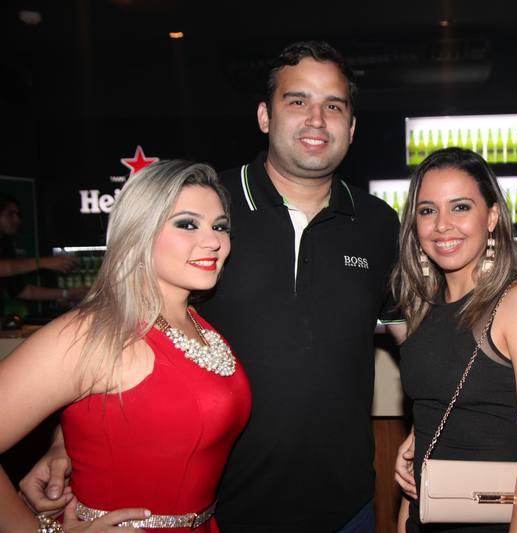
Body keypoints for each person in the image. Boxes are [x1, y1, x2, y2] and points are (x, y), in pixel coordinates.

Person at [20, 40, 404, 532]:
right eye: (297, 101)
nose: (316, 119)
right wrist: (65, 441)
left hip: (347, 509)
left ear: (351, 127)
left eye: (333, 106)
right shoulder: (207, 210)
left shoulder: (378, 223)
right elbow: (112, 329)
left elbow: (415, 338)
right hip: (223, 510)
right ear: (264, 116)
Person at [0, 160, 251, 532]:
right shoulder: (93, 332)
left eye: (220, 226)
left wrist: (63, 443)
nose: (213, 240)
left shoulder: (199, 321)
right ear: (139, 232)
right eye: (187, 224)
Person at [392, 148, 517, 532]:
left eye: (460, 207)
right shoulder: (423, 306)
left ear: (493, 217)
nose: (442, 225)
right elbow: (430, 420)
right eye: (427, 210)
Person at [0, 194, 85, 306]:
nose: (17, 220)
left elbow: (24, 291)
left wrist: (69, 293)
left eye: (18, 215)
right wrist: (43, 262)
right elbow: (6, 268)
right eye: (11, 214)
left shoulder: (6, 244)